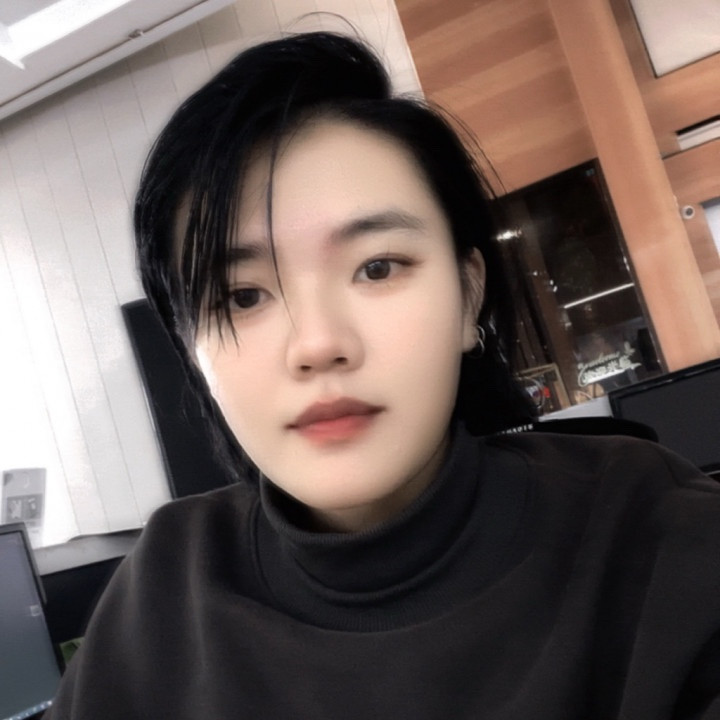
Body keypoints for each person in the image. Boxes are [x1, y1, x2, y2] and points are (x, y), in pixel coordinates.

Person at [46, 32, 720, 719]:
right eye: (242, 296)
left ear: (468, 295)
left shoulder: (655, 537)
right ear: (191, 349)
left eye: (377, 268)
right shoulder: (163, 588)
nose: (317, 345)